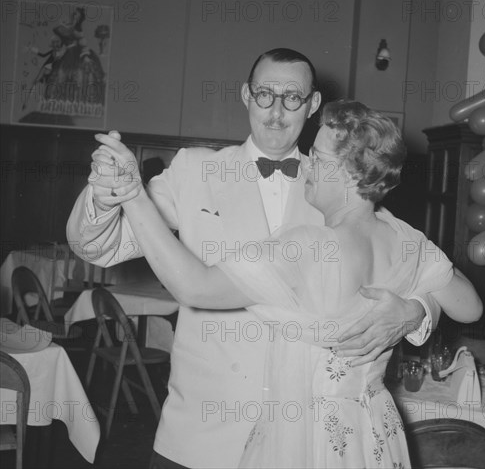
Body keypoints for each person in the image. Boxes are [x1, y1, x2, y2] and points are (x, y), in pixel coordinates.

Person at [67, 49, 441, 468]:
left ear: (313, 105)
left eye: (292, 97)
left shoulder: (343, 184)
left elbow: (414, 263)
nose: (277, 111)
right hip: (202, 432)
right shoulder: (194, 170)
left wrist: (415, 310)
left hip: (303, 440)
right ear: (246, 95)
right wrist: (106, 193)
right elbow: (100, 246)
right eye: (265, 94)